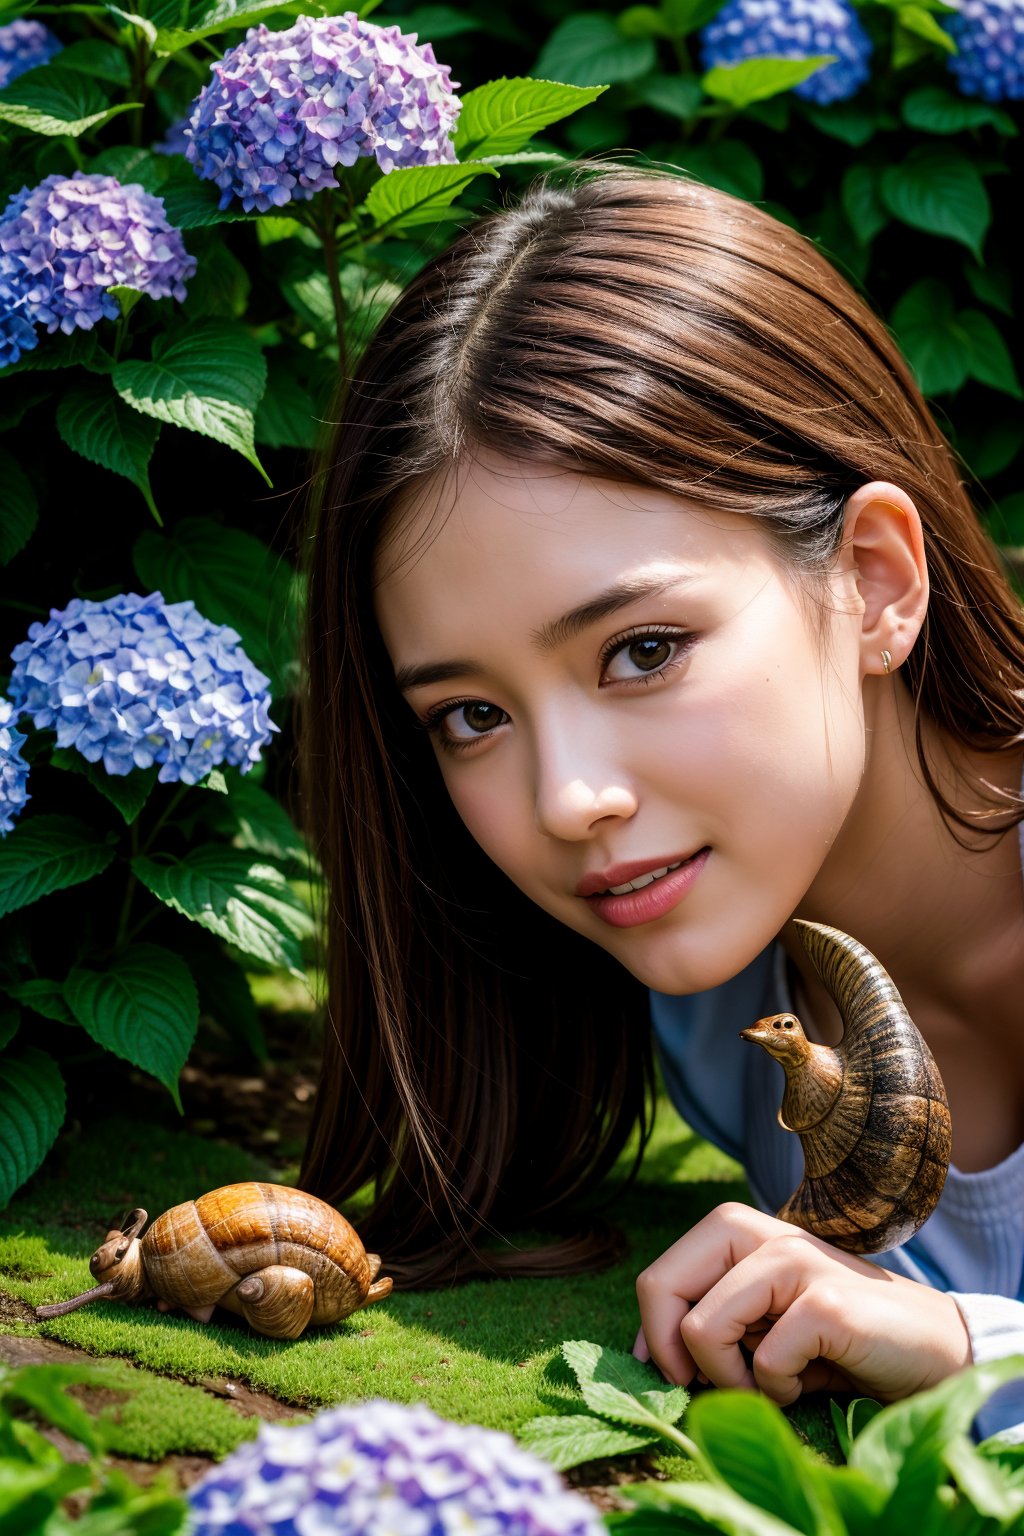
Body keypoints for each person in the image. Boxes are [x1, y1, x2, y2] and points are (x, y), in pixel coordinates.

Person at [299, 166, 1024, 1438]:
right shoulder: (715, 1017)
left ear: (873, 578)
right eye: (471, 715)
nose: (569, 799)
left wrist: (964, 1346)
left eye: (642, 651)